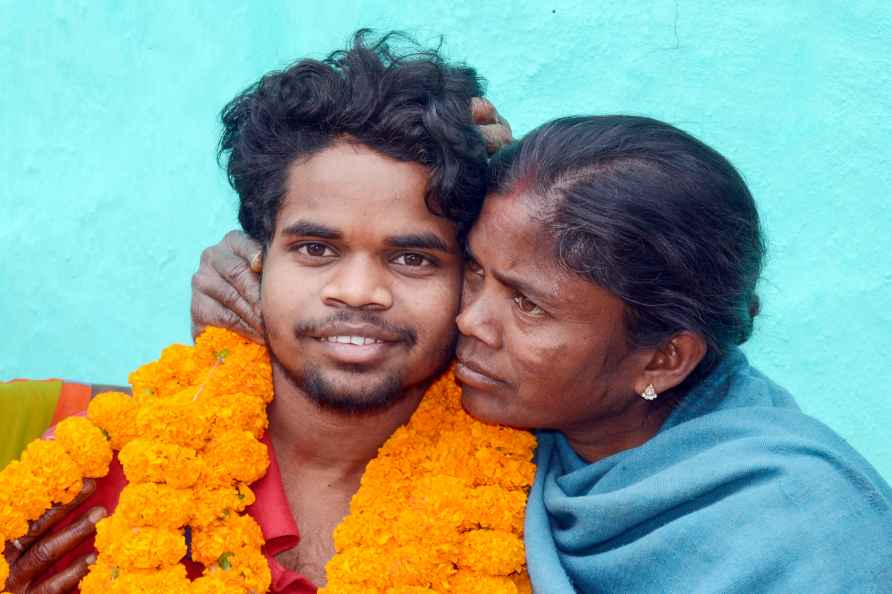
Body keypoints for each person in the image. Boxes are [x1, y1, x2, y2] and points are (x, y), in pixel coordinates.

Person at [192, 115, 892, 592]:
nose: (469, 319)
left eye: (525, 304)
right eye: (472, 270)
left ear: (664, 360)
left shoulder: (804, 531)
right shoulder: (544, 435)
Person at [2, 30, 511, 594]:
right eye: (316, 249)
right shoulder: (48, 446)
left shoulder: (537, 498)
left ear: (470, 278)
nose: (359, 291)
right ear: (254, 258)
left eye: (413, 257)